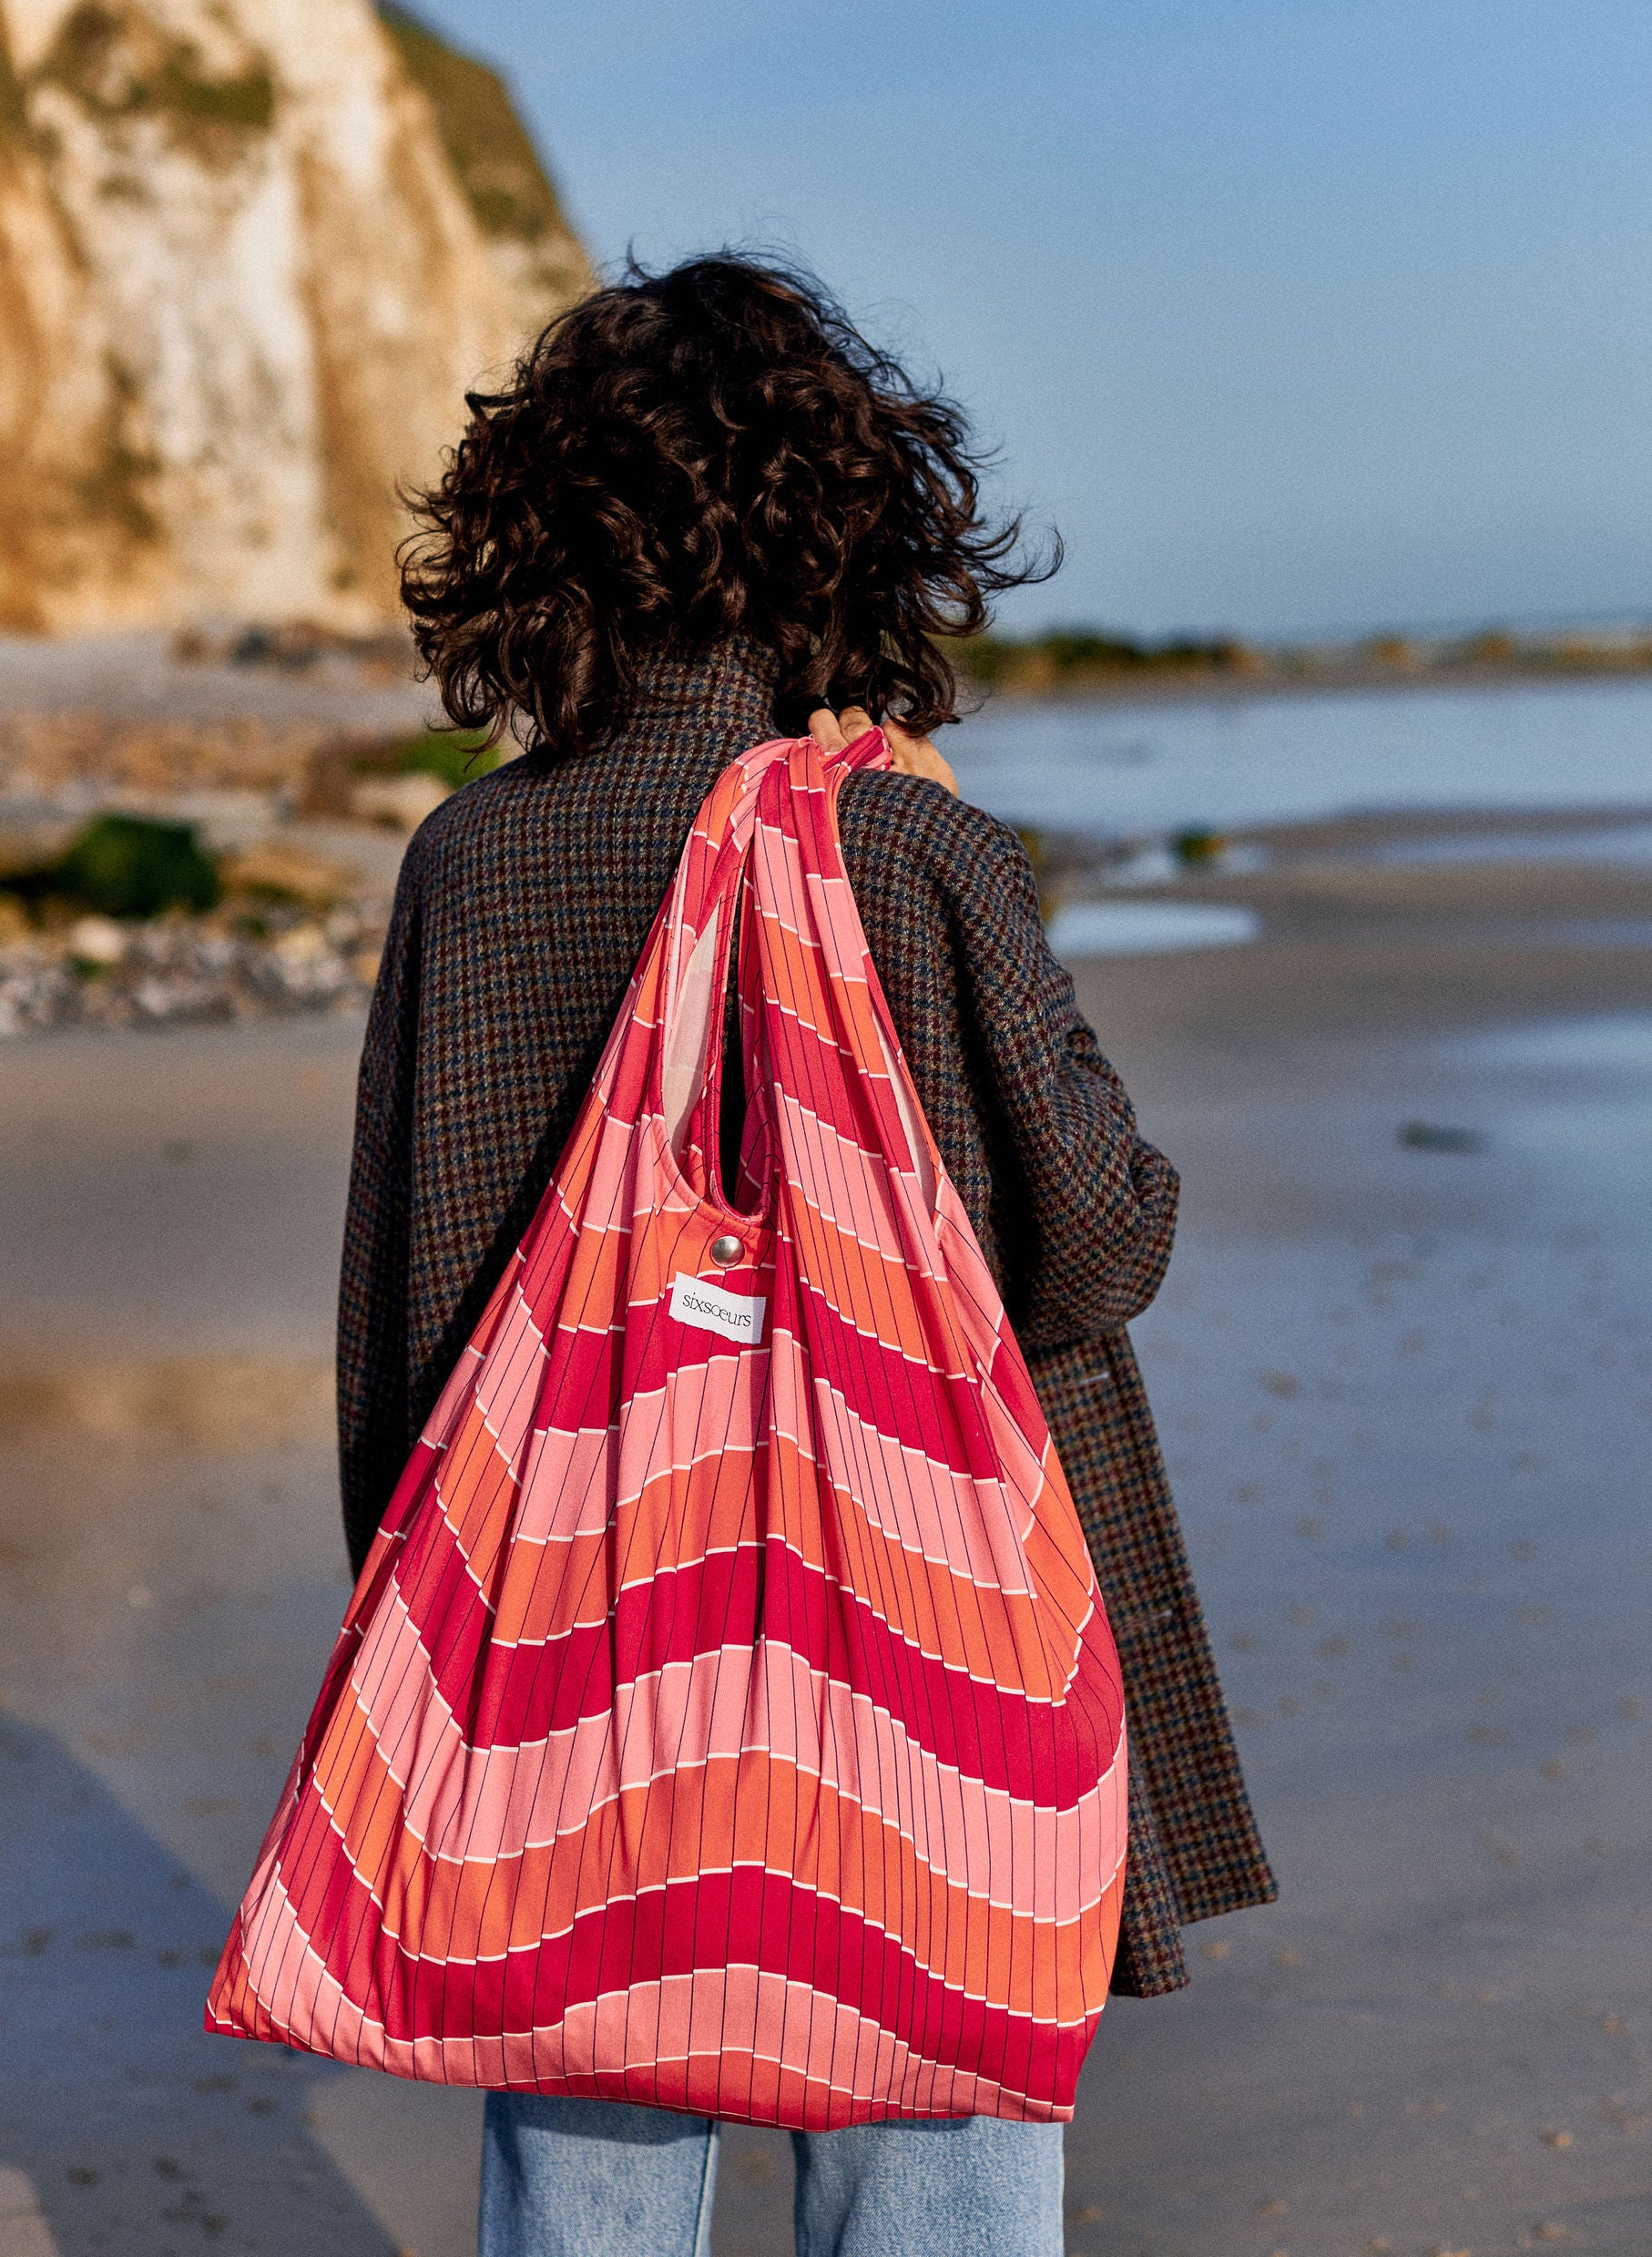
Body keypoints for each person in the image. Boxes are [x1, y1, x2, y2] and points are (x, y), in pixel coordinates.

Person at [337, 253, 1274, 2257]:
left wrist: (451, 1701)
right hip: (923, 1663)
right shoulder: (902, 845)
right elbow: (1100, 1246)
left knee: (581, 2205)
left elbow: (406, 1354)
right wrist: (982, 883)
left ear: (539, 537)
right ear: (853, 524)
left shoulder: (470, 863)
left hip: (572, 1672)